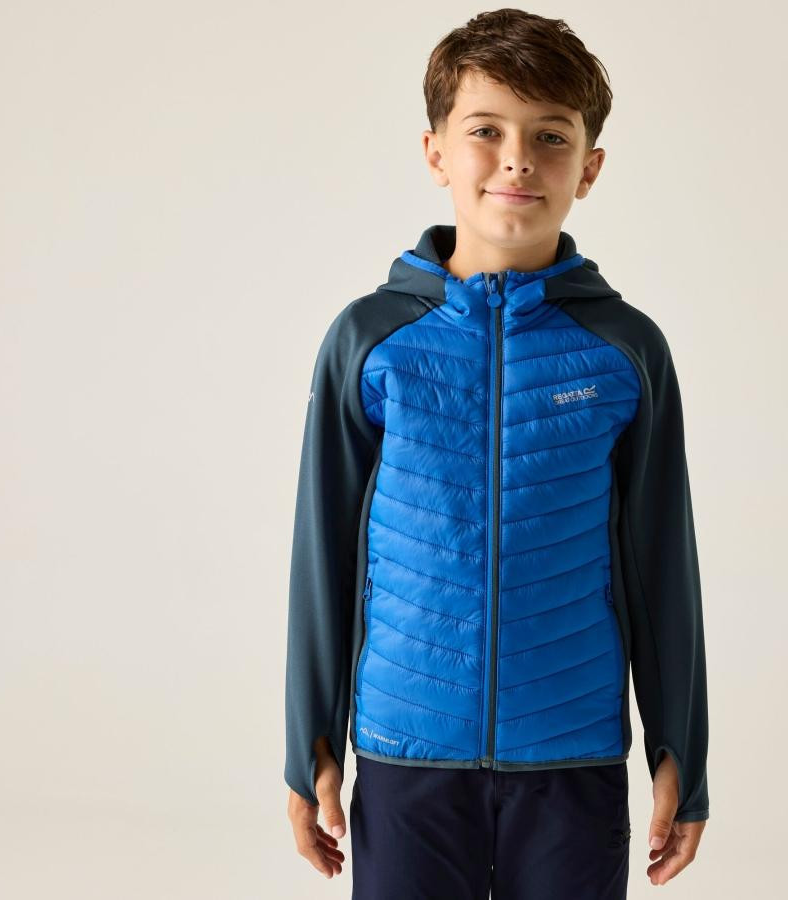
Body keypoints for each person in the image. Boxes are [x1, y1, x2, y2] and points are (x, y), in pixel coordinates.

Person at [283, 8, 710, 897]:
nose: (518, 160)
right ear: (436, 151)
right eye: (486, 131)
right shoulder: (370, 339)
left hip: (572, 759)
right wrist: (307, 741)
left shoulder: (625, 348)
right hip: (405, 757)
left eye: (550, 136)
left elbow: (661, 563)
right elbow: (323, 553)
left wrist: (681, 747)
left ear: (588, 167)